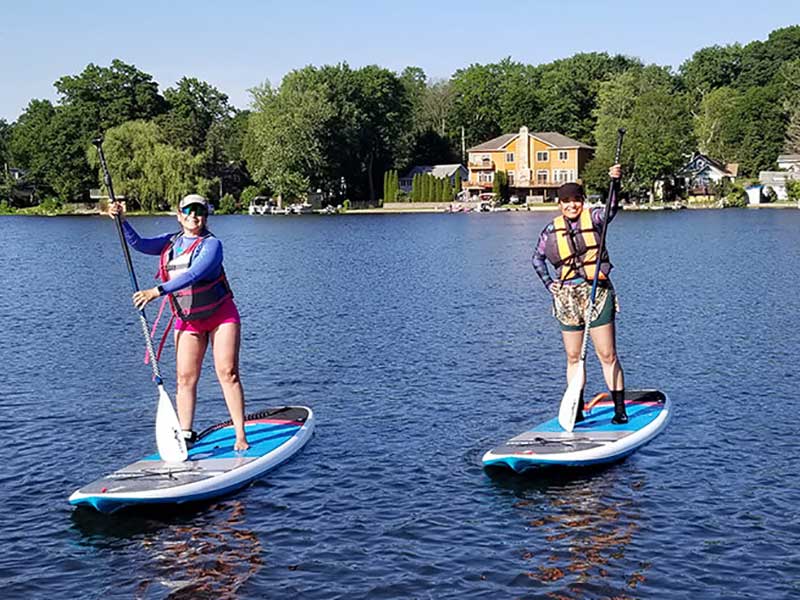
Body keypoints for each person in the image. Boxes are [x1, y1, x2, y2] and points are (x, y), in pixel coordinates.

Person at [108, 194, 250, 451]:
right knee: (185, 379)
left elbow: (194, 273)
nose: (194, 216)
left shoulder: (212, 245)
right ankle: (185, 434)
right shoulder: (170, 242)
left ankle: (240, 434)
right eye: (188, 210)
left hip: (221, 316)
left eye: (199, 211)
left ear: (205, 216)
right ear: (179, 215)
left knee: (227, 373)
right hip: (188, 320)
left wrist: (156, 291)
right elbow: (138, 244)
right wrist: (122, 221)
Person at [531, 166, 627, 424]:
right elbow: (537, 259)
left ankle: (619, 410)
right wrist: (549, 283)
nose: (572, 205)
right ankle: (578, 408)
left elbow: (611, 210)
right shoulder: (550, 231)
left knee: (606, 354)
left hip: (597, 292)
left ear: (582, 202)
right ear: (560, 204)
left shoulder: (594, 218)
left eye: (576, 200)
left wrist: (615, 183)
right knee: (574, 356)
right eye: (566, 201)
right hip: (566, 297)